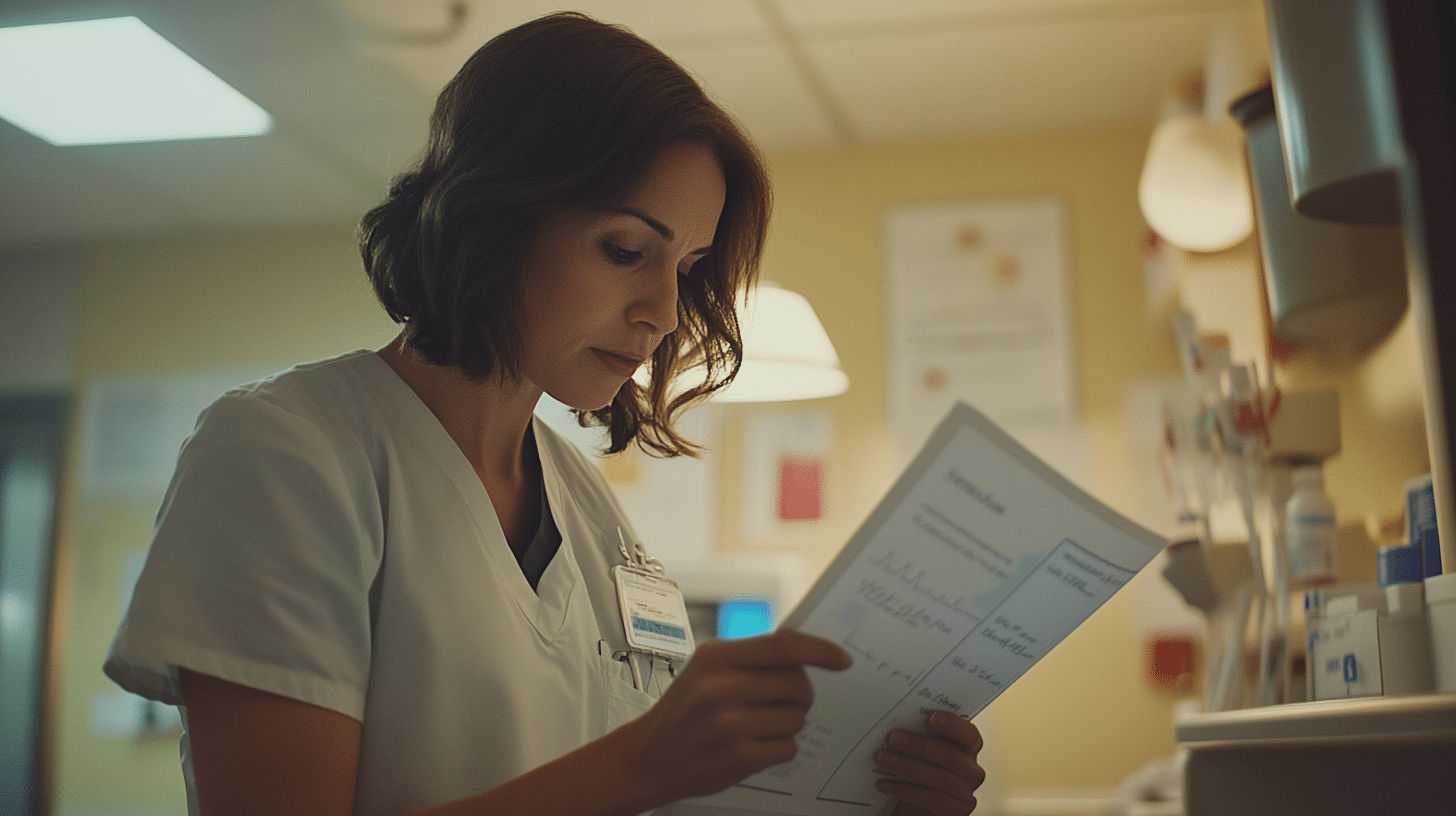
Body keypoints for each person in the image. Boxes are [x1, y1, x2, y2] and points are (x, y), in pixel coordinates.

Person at [104, 12, 985, 816]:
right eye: (626, 249)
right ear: (495, 216)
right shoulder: (284, 452)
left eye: (687, 267)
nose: (665, 311)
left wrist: (872, 798)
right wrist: (643, 764)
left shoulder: (590, 513)